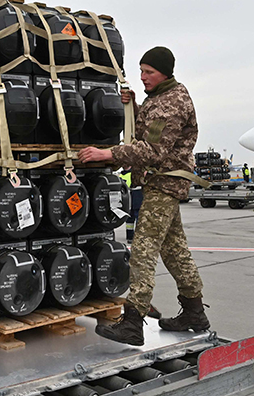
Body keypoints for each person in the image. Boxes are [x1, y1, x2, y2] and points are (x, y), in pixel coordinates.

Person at [78, 46, 209, 346]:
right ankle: (194, 312)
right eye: (141, 71)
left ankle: (133, 321)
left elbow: (152, 150)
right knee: (175, 252)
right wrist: (135, 107)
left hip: (163, 184)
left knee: (143, 250)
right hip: (161, 184)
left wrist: (106, 152)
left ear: (165, 72)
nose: (143, 77)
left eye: (148, 72)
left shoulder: (171, 103)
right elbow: (150, 132)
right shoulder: (158, 99)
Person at [120, 169, 142, 244]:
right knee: (138, 220)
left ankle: (130, 237)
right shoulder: (133, 173)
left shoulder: (121, 175)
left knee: (129, 221)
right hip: (137, 200)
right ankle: (139, 237)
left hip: (129, 202)